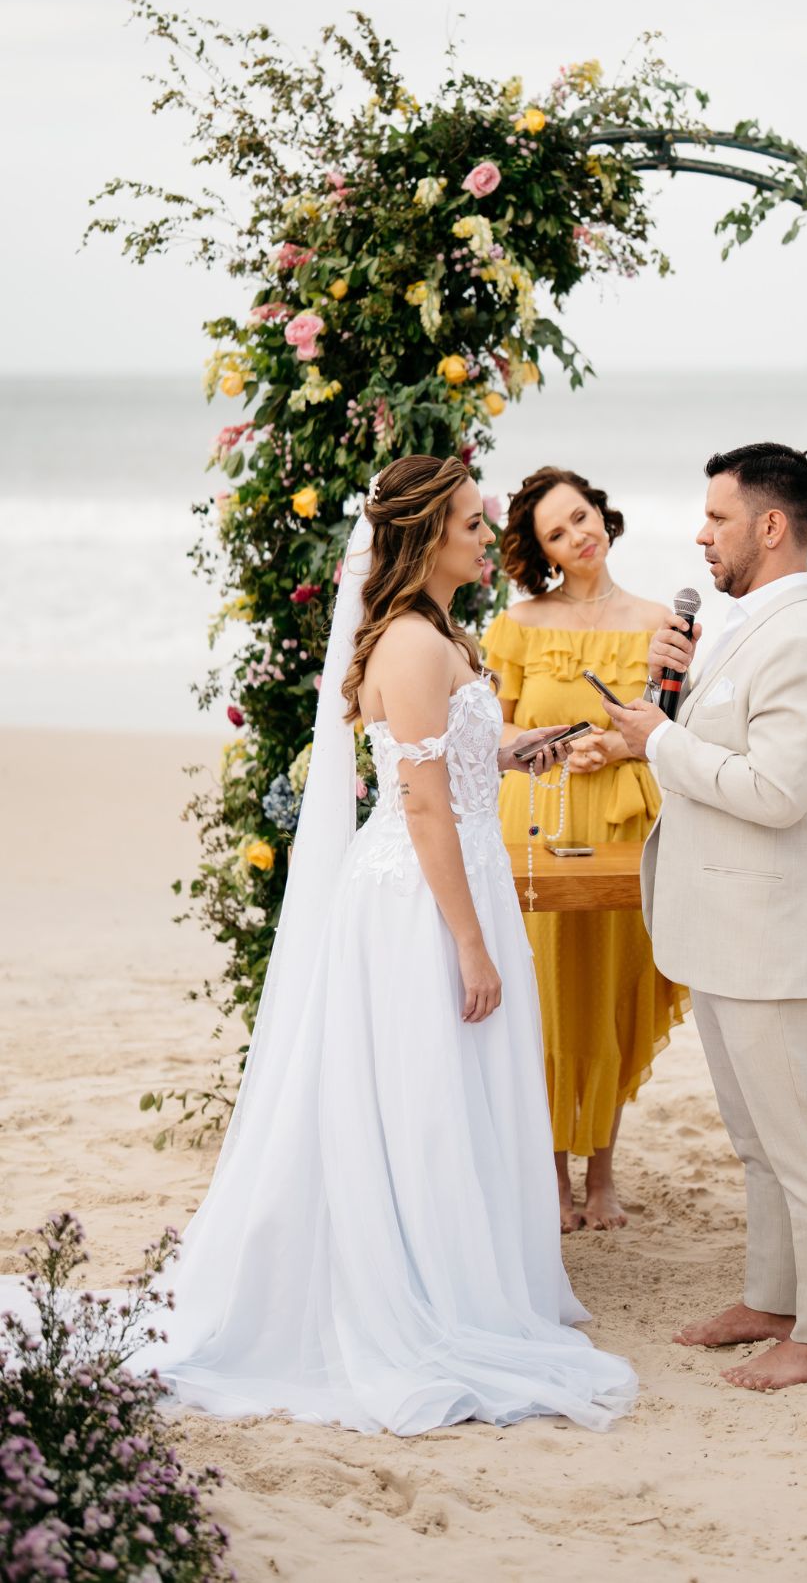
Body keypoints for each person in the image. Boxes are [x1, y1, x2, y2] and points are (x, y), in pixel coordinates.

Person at [126, 455, 637, 1434]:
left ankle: (465, 1268)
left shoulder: (438, 631)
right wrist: (471, 944)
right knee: (427, 1092)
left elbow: (451, 753)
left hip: (457, 873)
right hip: (420, 896)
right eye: (473, 523)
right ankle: (429, 1290)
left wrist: (517, 745)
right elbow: (422, 806)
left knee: (454, 1088)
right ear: (424, 536)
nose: (492, 536)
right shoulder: (406, 641)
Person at [601, 442, 807, 1393]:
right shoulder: (743, 626)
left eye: (716, 518)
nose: (699, 533)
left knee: (803, 1145)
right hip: (721, 925)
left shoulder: (806, 638)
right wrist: (667, 702)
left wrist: (659, 739)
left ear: (769, 524)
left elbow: (778, 792)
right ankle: (772, 1298)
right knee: (758, 1139)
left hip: (770, 934)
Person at [482, 467, 689, 1232]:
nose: (578, 535)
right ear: (542, 552)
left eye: (582, 516)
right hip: (533, 817)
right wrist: (543, 741)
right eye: (557, 532)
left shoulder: (659, 620)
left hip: (620, 822)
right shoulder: (518, 623)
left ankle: (602, 1174)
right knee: (541, 1000)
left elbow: (673, 729)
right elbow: (493, 729)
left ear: (602, 513)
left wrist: (618, 749)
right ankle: (548, 1174)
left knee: (603, 991)